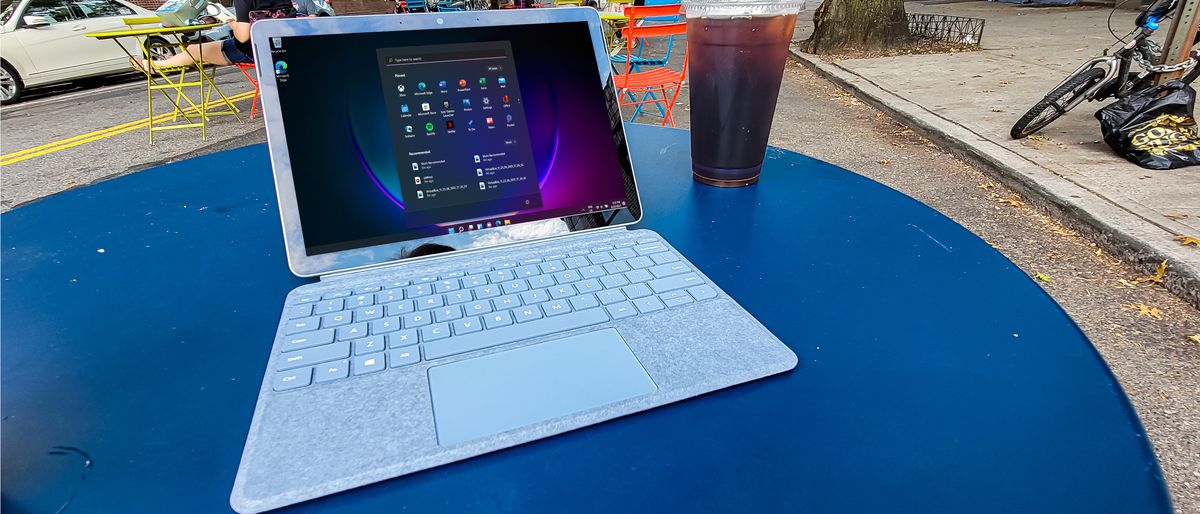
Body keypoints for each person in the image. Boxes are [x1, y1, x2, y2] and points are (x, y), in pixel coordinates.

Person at [139, 0, 295, 70]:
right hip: (282, 48)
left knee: (195, 50)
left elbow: (242, 36)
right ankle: (166, 61)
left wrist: (230, 22)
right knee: (197, 50)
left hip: (252, 51)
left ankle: (156, 65)